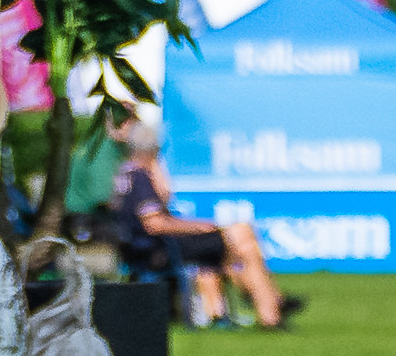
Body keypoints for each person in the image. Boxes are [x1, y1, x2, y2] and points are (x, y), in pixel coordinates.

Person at [107, 121, 301, 330]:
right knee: (241, 235)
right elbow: (154, 223)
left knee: (240, 246)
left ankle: (261, 305)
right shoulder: (141, 177)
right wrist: (198, 227)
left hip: (140, 247)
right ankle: (270, 308)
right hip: (159, 248)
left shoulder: (122, 175)